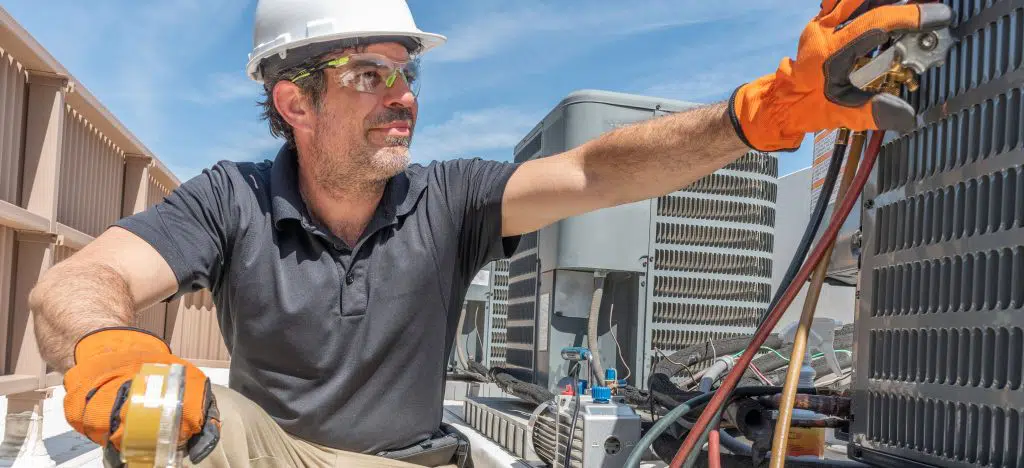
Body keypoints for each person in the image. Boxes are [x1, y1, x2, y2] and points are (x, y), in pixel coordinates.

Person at [29, 0, 951, 466]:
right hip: (278, 459)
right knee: (163, 421)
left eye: (407, 74)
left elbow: (596, 170)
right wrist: (105, 346)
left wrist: (762, 113)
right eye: (368, 73)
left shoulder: (452, 198)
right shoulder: (227, 200)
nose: (403, 95)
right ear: (292, 101)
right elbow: (78, 284)